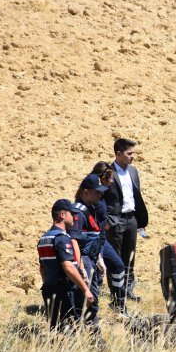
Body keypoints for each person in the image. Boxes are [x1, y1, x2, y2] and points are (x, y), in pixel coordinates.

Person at [103, 138, 149, 302]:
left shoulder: (133, 171)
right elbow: (101, 196)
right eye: (129, 154)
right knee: (115, 259)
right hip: (115, 221)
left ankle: (128, 290)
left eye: (133, 153)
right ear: (118, 154)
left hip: (131, 219)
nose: (132, 157)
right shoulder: (108, 172)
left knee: (130, 257)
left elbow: (136, 195)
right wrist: (107, 221)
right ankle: (116, 292)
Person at [38, 199, 94, 331]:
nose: (74, 217)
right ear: (62, 215)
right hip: (64, 291)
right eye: (71, 214)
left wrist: (48, 285)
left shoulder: (44, 239)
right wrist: (85, 289)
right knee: (69, 331)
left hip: (49, 290)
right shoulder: (62, 238)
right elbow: (68, 267)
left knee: (55, 329)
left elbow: (42, 269)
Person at [70, 174, 108, 324]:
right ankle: (92, 330)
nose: (100, 194)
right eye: (96, 191)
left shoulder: (91, 209)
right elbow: (74, 240)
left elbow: (95, 236)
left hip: (92, 258)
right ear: (86, 192)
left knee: (94, 293)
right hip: (84, 259)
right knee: (89, 296)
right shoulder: (78, 212)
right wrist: (81, 267)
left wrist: (100, 259)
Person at [91, 162, 128, 316]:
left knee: (118, 265)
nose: (112, 181)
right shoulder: (92, 197)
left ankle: (119, 304)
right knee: (95, 275)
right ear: (103, 178)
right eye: (110, 178)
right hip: (92, 239)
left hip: (102, 238)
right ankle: (91, 312)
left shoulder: (101, 195)